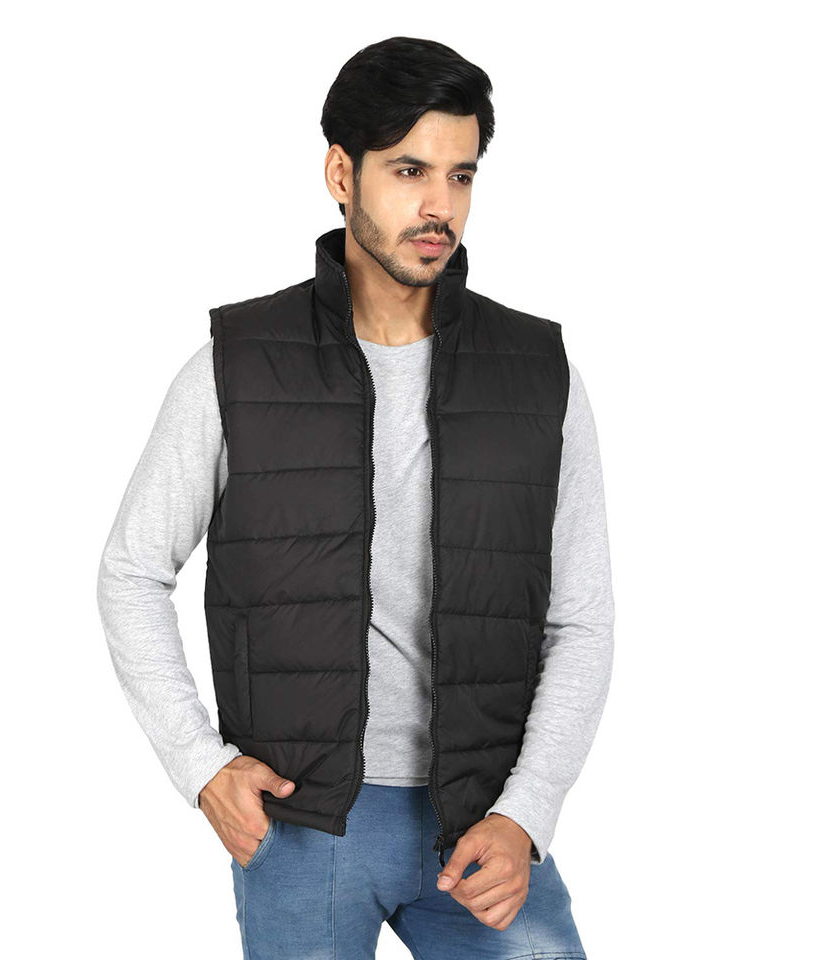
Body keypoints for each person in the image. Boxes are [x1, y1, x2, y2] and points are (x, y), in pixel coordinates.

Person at [97, 35, 613, 960]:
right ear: (342, 173)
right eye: (409, 170)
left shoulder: (539, 375)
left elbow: (581, 619)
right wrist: (202, 768)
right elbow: (132, 572)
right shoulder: (237, 367)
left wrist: (527, 812)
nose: (438, 205)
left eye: (461, 175)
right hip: (303, 823)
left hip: (482, 827)